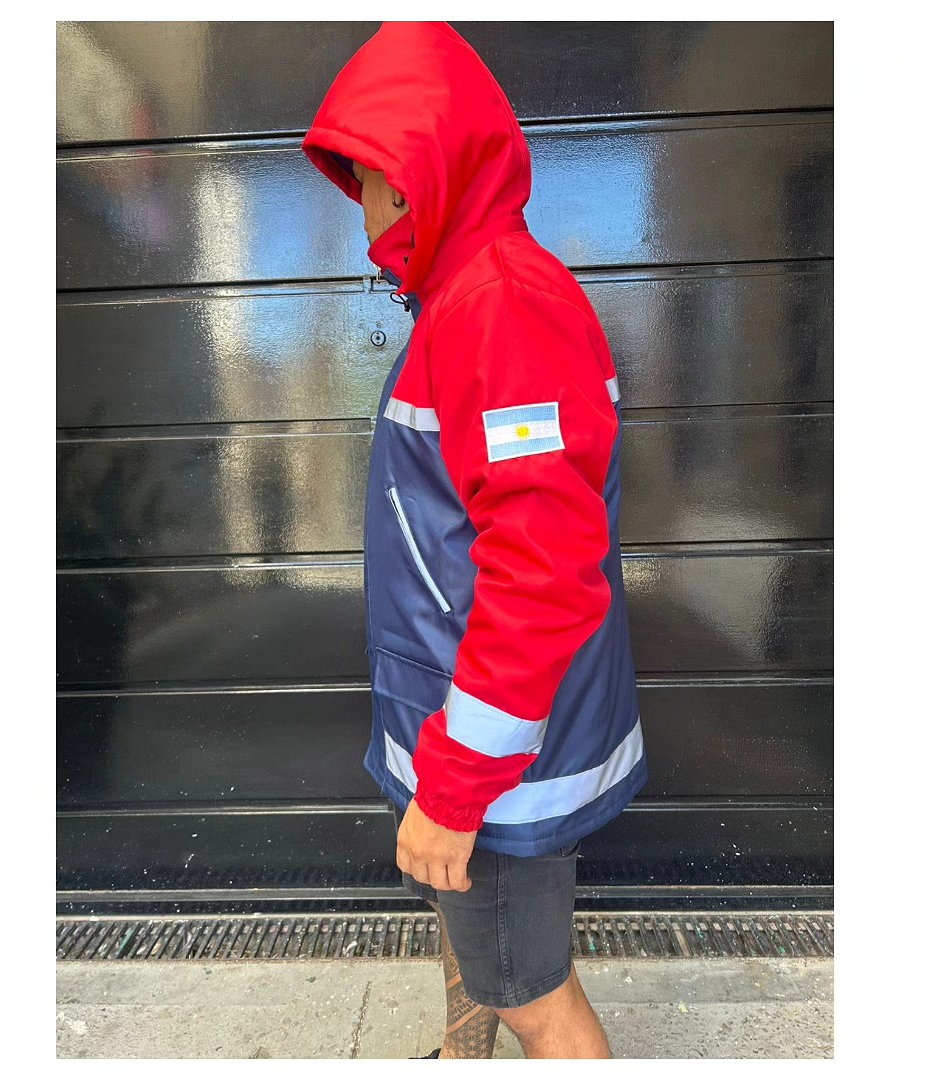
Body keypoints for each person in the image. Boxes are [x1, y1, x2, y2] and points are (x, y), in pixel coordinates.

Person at [302, 21, 647, 1060]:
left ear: (416, 175)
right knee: (478, 945)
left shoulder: (502, 309)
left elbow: (543, 574)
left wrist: (454, 788)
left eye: (367, 176)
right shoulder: (466, 298)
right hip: (459, 731)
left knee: (534, 995)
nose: (362, 204)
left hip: (491, 754)